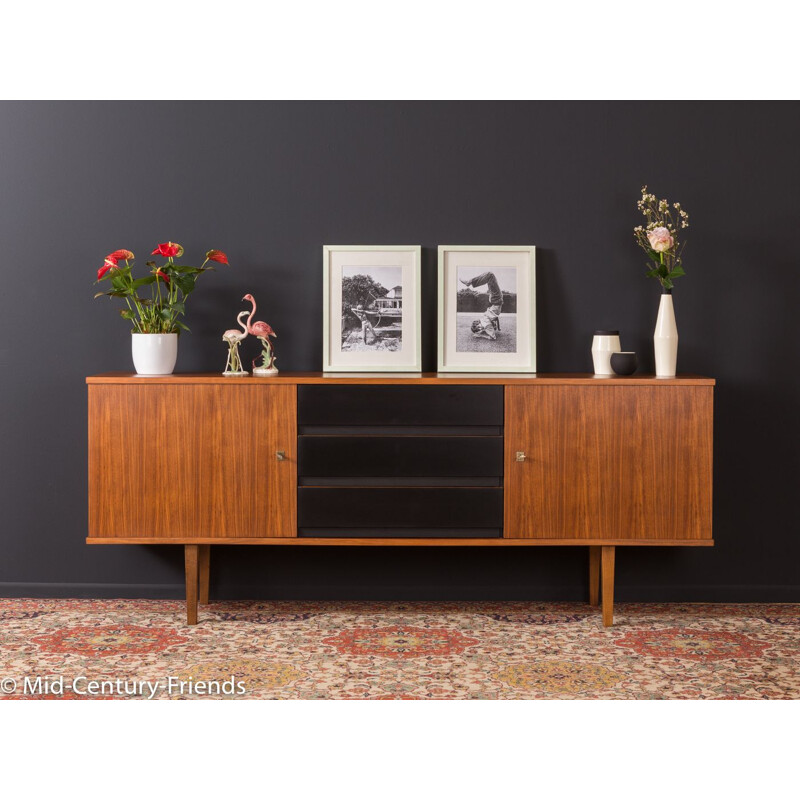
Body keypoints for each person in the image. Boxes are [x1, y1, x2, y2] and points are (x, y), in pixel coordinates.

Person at [460, 271, 503, 340]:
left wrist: (482, 332)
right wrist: (480, 335)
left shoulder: (485, 322)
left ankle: (469, 282)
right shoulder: (485, 322)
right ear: (479, 328)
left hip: (495, 301)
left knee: (490, 277)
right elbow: (492, 337)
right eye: (477, 325)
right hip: (496, 301)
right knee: (490, 275)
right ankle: (469, 282)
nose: (477, 322)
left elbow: (494, 319)